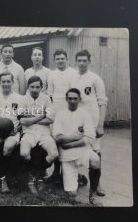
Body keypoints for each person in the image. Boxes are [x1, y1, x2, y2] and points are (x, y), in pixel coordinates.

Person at [52, 88, 102, 205]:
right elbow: (57, 137)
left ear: (79, 99)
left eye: (75, 98)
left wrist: (69, 144)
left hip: (82, 151)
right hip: (67, 157)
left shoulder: (84, 114)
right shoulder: (60, 114)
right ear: (66, 99)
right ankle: (77, 179)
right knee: (72, 195)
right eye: (70, 98)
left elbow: (90, 137)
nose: (72, 101)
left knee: (95, 159)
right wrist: (76, 136)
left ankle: (92, 194)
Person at [70, 50, 108, 196]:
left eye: (84, 60)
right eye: (79, 60)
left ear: (89, 61)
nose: (81, 63)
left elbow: (102, 102)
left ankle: (97, 183)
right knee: (76, 150)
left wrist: (100, 125)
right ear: (76, 61)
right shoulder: (72, 78)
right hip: (77, 121)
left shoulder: (95, 79)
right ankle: (75, 178)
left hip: (92, 121)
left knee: (95, 151)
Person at [19, 75, 58, 194]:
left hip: (44, 132)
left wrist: (32, 118)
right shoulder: (23, 99)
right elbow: (22, 121)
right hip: (29, 132)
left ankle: (38, 174)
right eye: (32, 87)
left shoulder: (46, 99)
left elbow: (50, 119)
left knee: (54, 154)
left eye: (37, 87)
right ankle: (32, 176)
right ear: (28, 87)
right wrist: (41, 115)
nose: (34, 89)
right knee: (24, 153)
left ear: (41, 87)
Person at [0, 71, 24, 193]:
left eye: (8, 81)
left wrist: (17, 130)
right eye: (4, 81)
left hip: (12, 131)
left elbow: (22, 119)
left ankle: (1, 178)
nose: (6, 84)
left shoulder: (20, 98)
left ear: (13, 82)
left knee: (7, 147)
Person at [45, 49, 78, 184]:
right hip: (56, 110)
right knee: (57, 140)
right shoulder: (52, 74)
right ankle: (55, 173)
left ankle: (68, 174)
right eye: (57, 59)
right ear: (55, 60)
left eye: (62, 58)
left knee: (68, 141)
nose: (60, 61)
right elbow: (50, 95)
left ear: (67, 59)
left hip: (69, 110)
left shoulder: (74, 73)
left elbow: (76, 94)